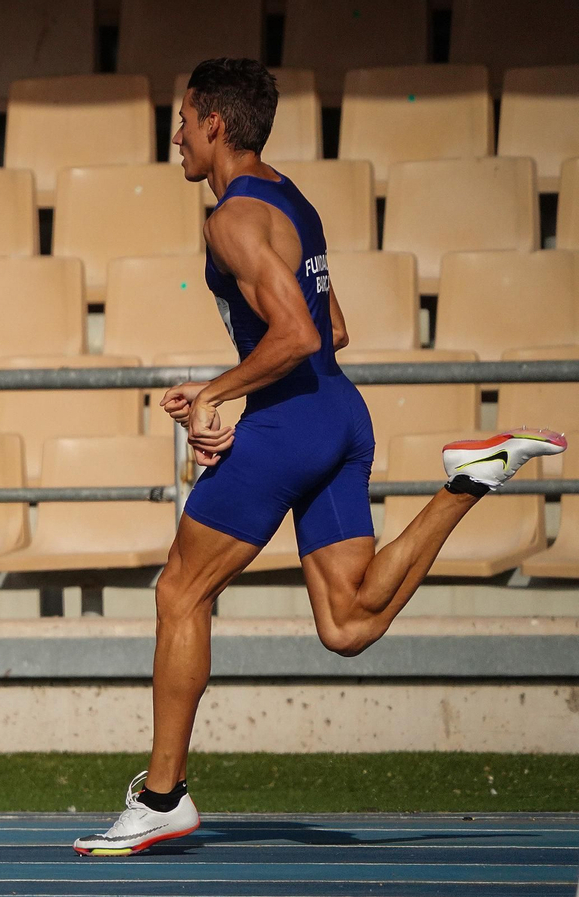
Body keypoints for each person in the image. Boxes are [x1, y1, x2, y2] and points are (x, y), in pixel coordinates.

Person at [73, 59, 565, 857]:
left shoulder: (231, 216)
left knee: (179, 591)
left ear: (214, 125)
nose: (177, 137)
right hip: (338, 413)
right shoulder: (291, 198)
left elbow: (299, 334)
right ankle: (464, 483)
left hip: (292, 421)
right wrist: (227, 381)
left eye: (184, 120)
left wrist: (220, 395)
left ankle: (163, 795)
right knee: (347, 621)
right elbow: (332, 329)